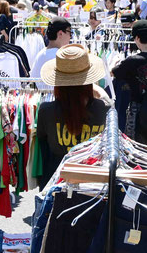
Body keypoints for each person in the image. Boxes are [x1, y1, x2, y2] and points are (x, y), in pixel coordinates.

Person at [36, 44, 109, 188]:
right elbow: (109, 103)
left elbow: (43, 148)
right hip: (94, 187)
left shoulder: (46, 110)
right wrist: (95, 89)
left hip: (55, 184)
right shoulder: (104, 109)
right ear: (88, 82)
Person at [112, 20, 147, 151]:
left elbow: (115, 73)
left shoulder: (132, 61)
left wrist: (117, 62)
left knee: (134, 151)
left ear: (137, 38)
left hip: (136, 112)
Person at [30, 17, 72, 86]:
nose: (70, 36)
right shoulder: (61, 56)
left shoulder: (40, 54)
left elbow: (32, 79)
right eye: (69, 32)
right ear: (60, 34)